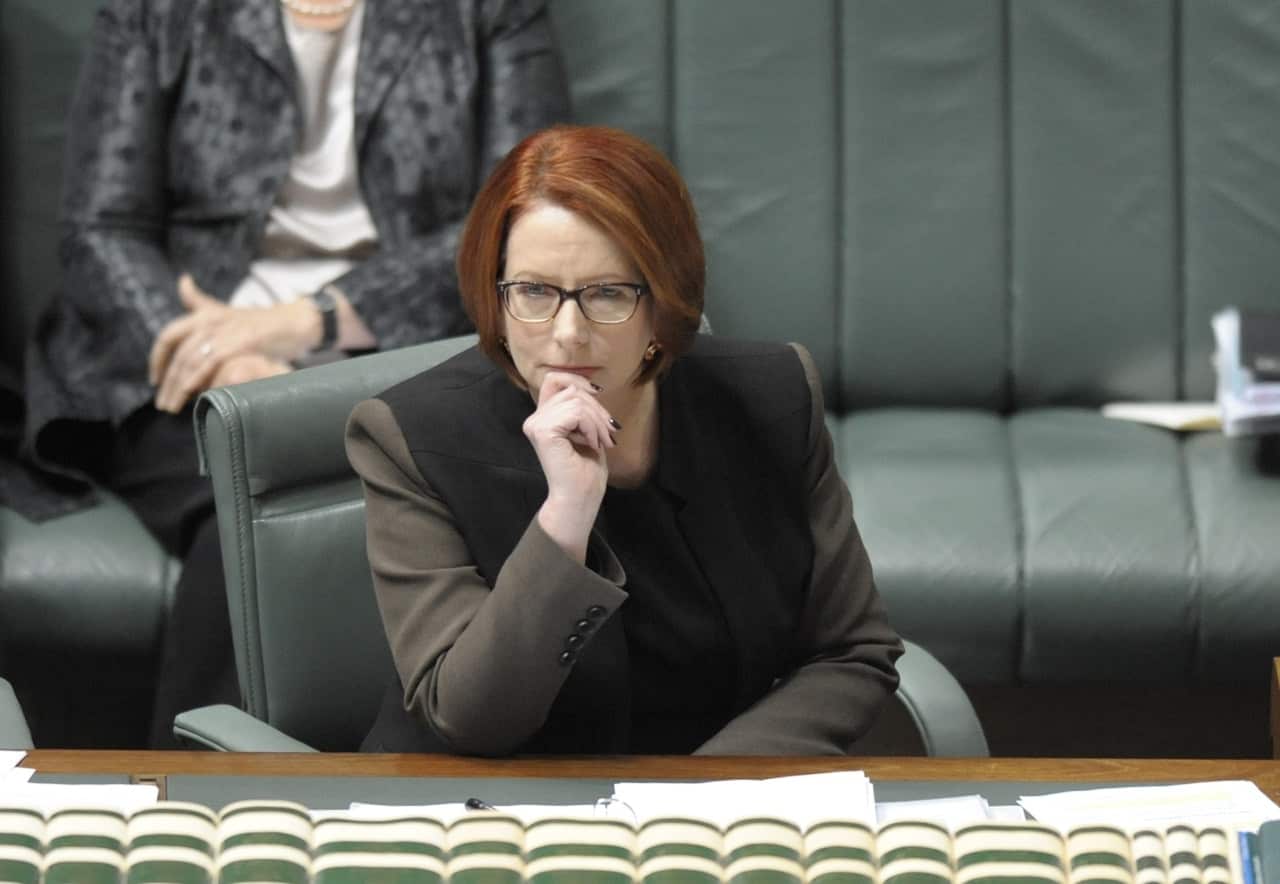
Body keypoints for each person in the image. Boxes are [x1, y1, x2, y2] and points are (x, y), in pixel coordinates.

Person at [23, 0, 569, 747]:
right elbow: (103, 228)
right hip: (182, 366)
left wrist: (304, 322)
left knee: (359, 510)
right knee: (248, 523)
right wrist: (216, 355)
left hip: (399, 360)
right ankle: (196, 824)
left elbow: (519, 215)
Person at [346, 125, 903, 755]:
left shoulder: (769, 398)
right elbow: (471, 720)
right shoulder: (413, 437)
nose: (567, 334)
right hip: (490, 813)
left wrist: (701, 797)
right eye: (532, 291)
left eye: (607, 292)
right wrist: (567, 517)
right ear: (493, 296)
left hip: (705, 816)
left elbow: (850, 649)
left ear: (666, 300)